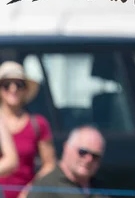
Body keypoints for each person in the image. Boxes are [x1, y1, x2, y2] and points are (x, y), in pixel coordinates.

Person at [0, 61, 55, 198]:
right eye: (6, 85)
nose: (13, 89)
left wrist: (30, 190)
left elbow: (49, 164)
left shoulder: (38, 124)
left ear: (25, 89)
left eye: (19, 84)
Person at [27, 125, 108, 198]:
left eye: (95, 156)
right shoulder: (46, 187)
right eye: (82, 152)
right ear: (66, 147)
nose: (89, 159)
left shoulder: (101, 189)